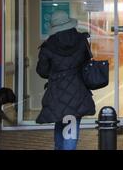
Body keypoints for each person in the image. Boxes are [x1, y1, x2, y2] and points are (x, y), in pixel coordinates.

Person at [36, 10, 95, 150]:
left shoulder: (48, 45)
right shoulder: (81, 40)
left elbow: (42, 71)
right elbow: (87, 62)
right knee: (72, 125)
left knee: (59, 121)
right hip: (78, 91)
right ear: (69, 23)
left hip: (56, 92)